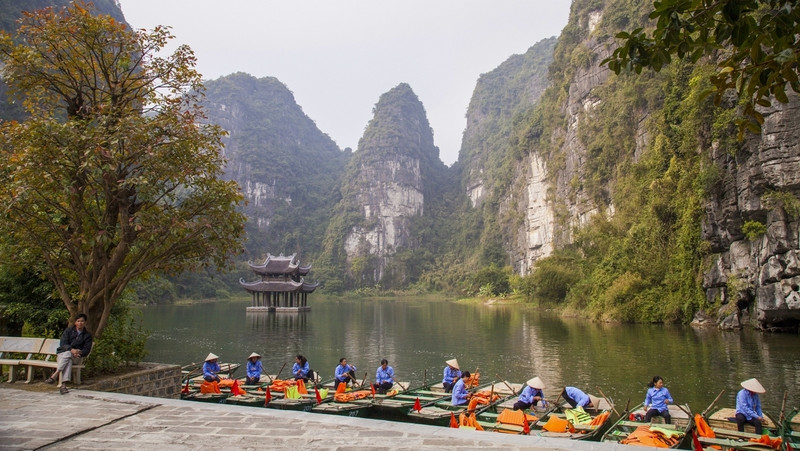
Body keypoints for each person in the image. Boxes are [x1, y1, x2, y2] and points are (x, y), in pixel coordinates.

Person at [46, 313, 93, 395]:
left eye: (82, 321)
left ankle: (55, 375)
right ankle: (63, 385)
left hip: (77, 357)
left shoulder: (87, 335)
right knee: (68, 356)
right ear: (75, 322)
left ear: (85, 322)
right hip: (63, 355)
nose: (80, 323)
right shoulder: (68, 331)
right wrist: (71, 350)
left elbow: (86, 350)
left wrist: (78, 352)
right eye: (78, 321)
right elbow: (63, 344)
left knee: (68, 356)